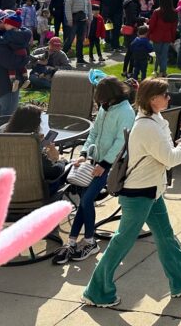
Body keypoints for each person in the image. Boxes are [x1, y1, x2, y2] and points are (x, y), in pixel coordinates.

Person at [82, 77, 181, 308]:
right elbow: (170, 158)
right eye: (165, 94)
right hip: (139, 193)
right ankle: (96, 291)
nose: (169, 97)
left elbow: (164, 150)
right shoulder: (147, 126)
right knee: (121, 243)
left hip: (151, 190)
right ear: (152, 99)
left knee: (165, 236)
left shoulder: (154, 118)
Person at [55, 77, 136, 265]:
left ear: (112, 97)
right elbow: (94, 133)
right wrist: (84, 153)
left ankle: (90, 242)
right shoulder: (105, 108)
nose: (101, 104)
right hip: (94, 162)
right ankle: (73, 241)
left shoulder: (125, 112)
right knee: (84, 201)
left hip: (112, 166)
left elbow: (121, 142)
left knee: (86, 199)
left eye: (103, 100)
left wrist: (105, 164)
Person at [5, 104, 69, 193]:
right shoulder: (31, 144)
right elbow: (53, 172)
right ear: (35, 124)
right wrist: (61, 162)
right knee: (67, 166)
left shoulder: (4, 140)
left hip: (8, 192)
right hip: (35, 194)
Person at [147, 0, 178, 77]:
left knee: (159, 55)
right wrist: (173, 38)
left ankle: (162, 71)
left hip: (157, 36)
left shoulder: (157, 12)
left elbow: (152, 25)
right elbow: (174, 27)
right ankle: (158, 70)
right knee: (163, 55)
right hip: (167, 36)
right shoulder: (174, 12)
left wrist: (148, 34)